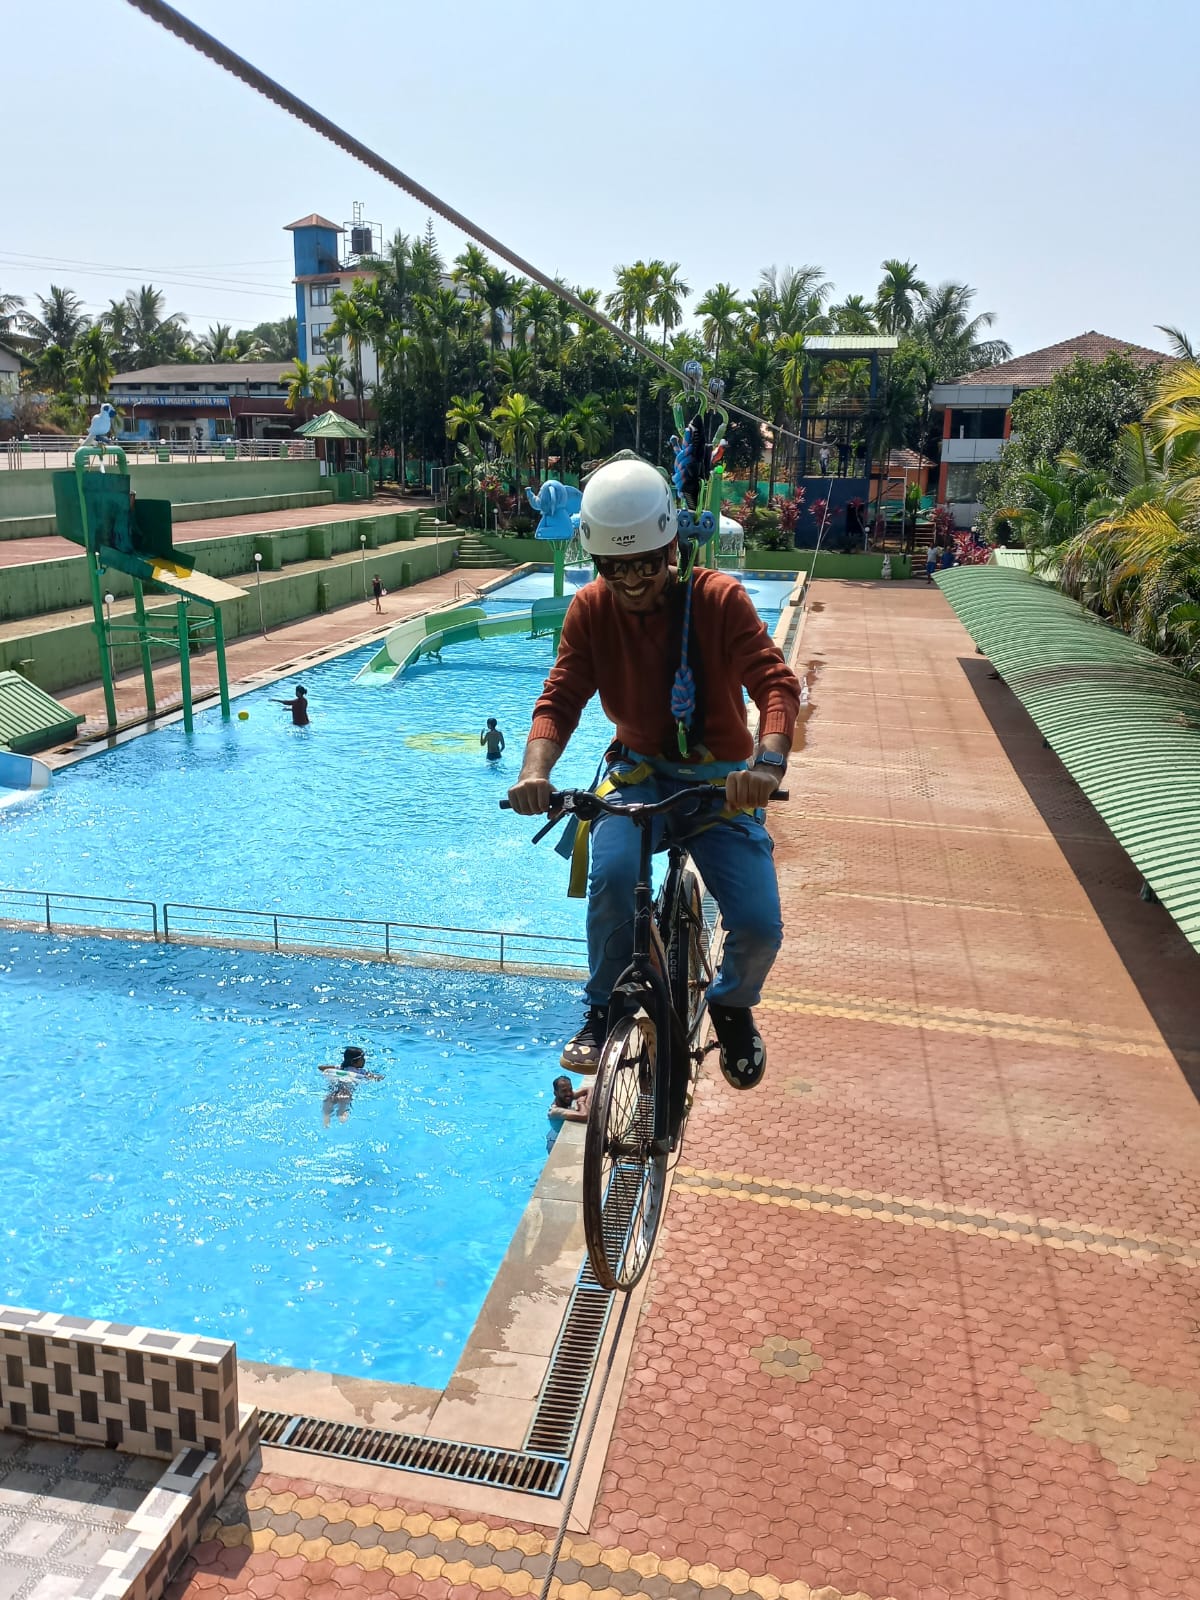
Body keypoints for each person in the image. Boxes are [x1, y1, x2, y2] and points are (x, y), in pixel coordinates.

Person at [507, 456, 800, 1093]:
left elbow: (775, 683)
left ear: (671, 548)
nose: (633, 580)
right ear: (597, 561)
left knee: (758, 925)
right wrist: (534, 771)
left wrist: (767, 763)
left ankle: (732, 1003)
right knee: (612, 877)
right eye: (616, 568)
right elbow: (561, 696)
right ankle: (604, 1007)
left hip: (721, 786)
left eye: (646, 563)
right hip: (638, 773)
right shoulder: (590, 610)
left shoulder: (718, 600)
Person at [318, 1045, 382, 1126]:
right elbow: (376, 1078)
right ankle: (342, 1120)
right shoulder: (361, 1072)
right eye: (362, 1058)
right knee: (343, 1107)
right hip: (346, 1093)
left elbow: (321, 1068)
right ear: (353, 1062)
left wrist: (334, 1067)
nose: (364, 1060)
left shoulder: (340, 1068)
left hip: (334, 1090)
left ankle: (326, 1121)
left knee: (328, 1104)